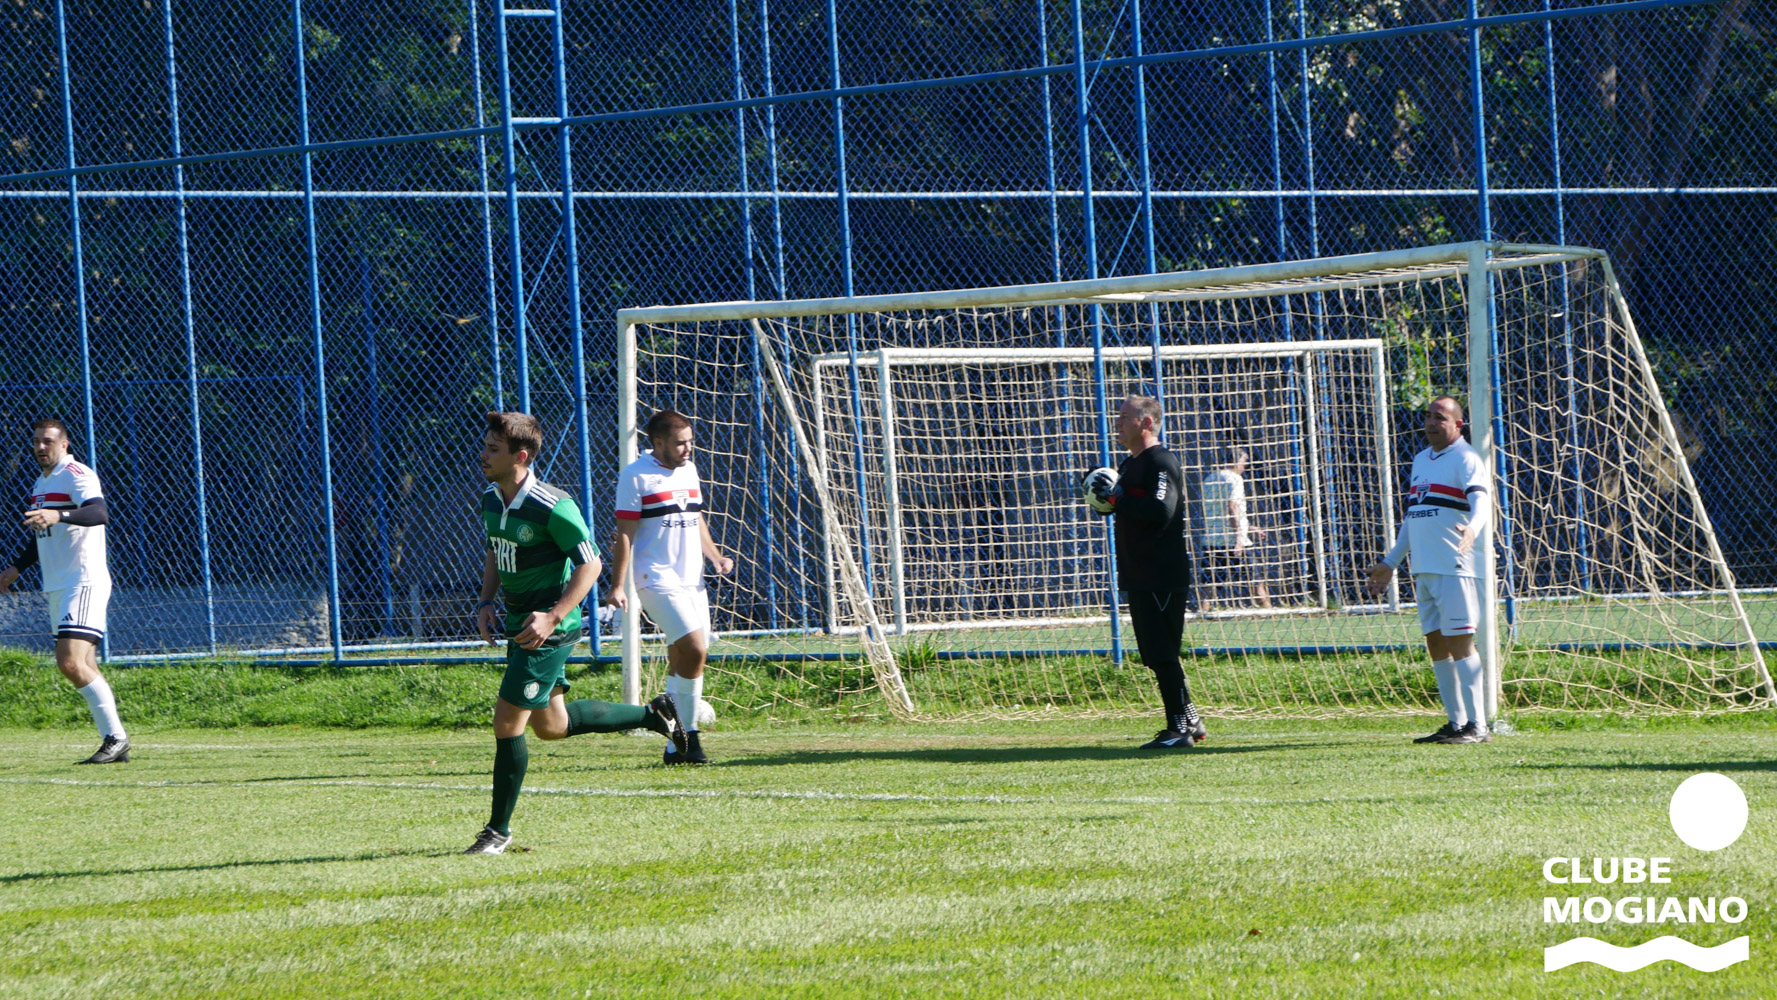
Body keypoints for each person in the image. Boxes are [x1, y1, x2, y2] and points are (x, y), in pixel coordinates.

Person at [467, 411, 684, 855]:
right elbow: (494, 549)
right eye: (485, 445)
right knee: (552, 726)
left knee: (507, 722)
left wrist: (552, 616)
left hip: (548, 630)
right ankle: (653, 715)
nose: (482, 454)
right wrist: (486, 602)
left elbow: (591, 564)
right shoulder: (491, 498)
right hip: (519, 625)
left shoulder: (553, 505)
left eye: (492, 448)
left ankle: (497, 832)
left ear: (520, 457)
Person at [608, 410, 734, 765]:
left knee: (683, 656)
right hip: (655, 578)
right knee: (695, 649)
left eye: (690, 441)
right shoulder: (635, 476)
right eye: (680, 443)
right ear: (658, 442)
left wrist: (715, 556)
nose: (687, 448)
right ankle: (688, 736)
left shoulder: (689, 470)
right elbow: (624, 534)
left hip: (692, 581)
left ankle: (676, 748)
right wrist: (617, 585)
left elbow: (695, 517)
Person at [1365, 396, 1493, 745]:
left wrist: (1473, 529)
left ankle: (1478, 726)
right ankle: (1456, 722)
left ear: (1458, 424)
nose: (1432, 423)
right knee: (1436, 643)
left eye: (1440, 417)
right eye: (1428, 417)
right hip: (1425, 568)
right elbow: (1414, 517)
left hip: (1457, 566)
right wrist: (1390, 563)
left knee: (1460, 641)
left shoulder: (1467, 458)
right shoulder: (1422, 460)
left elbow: (1481, 501)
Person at [0, 418, 128, 764]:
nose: (41, 447)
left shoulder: (76, 473)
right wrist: (16, 568)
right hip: (58, 583)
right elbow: (43, 531)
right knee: (82, 663)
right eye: (36, 441)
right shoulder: (42, 482)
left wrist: (59, 515)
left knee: (69, 661)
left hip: (82, 580)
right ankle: (114, 741)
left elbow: (98, 512)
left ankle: (116, 738)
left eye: (48, 441)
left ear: (64, 444)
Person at [1084, 394, 1206, 750]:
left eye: (1125, 416)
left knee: (1163, 653)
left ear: (1146, 423)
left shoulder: (1160, 461)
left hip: (1161, 572)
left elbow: (1161, 510)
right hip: (1138, 571)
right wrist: (1102, 498)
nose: (1117, 422)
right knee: (1154, 655)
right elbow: (1120, 506)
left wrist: (1118, 499)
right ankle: (1190, 720)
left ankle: (1178, 730)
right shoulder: (1128, 463)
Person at [1197, 446, 1271, 611]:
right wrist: (1239, 537)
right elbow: (1232, 507)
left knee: (1209, 582)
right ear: (1236, 461)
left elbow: (1218, 512)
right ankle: (1269, 611)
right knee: (1256, 581)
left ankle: (1203, 612)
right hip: (1234, 540)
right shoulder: (1235, 479)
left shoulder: (1209, 479)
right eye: (1244, 462)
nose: (1245, 466)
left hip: (1213, 539)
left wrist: (1248, 527)